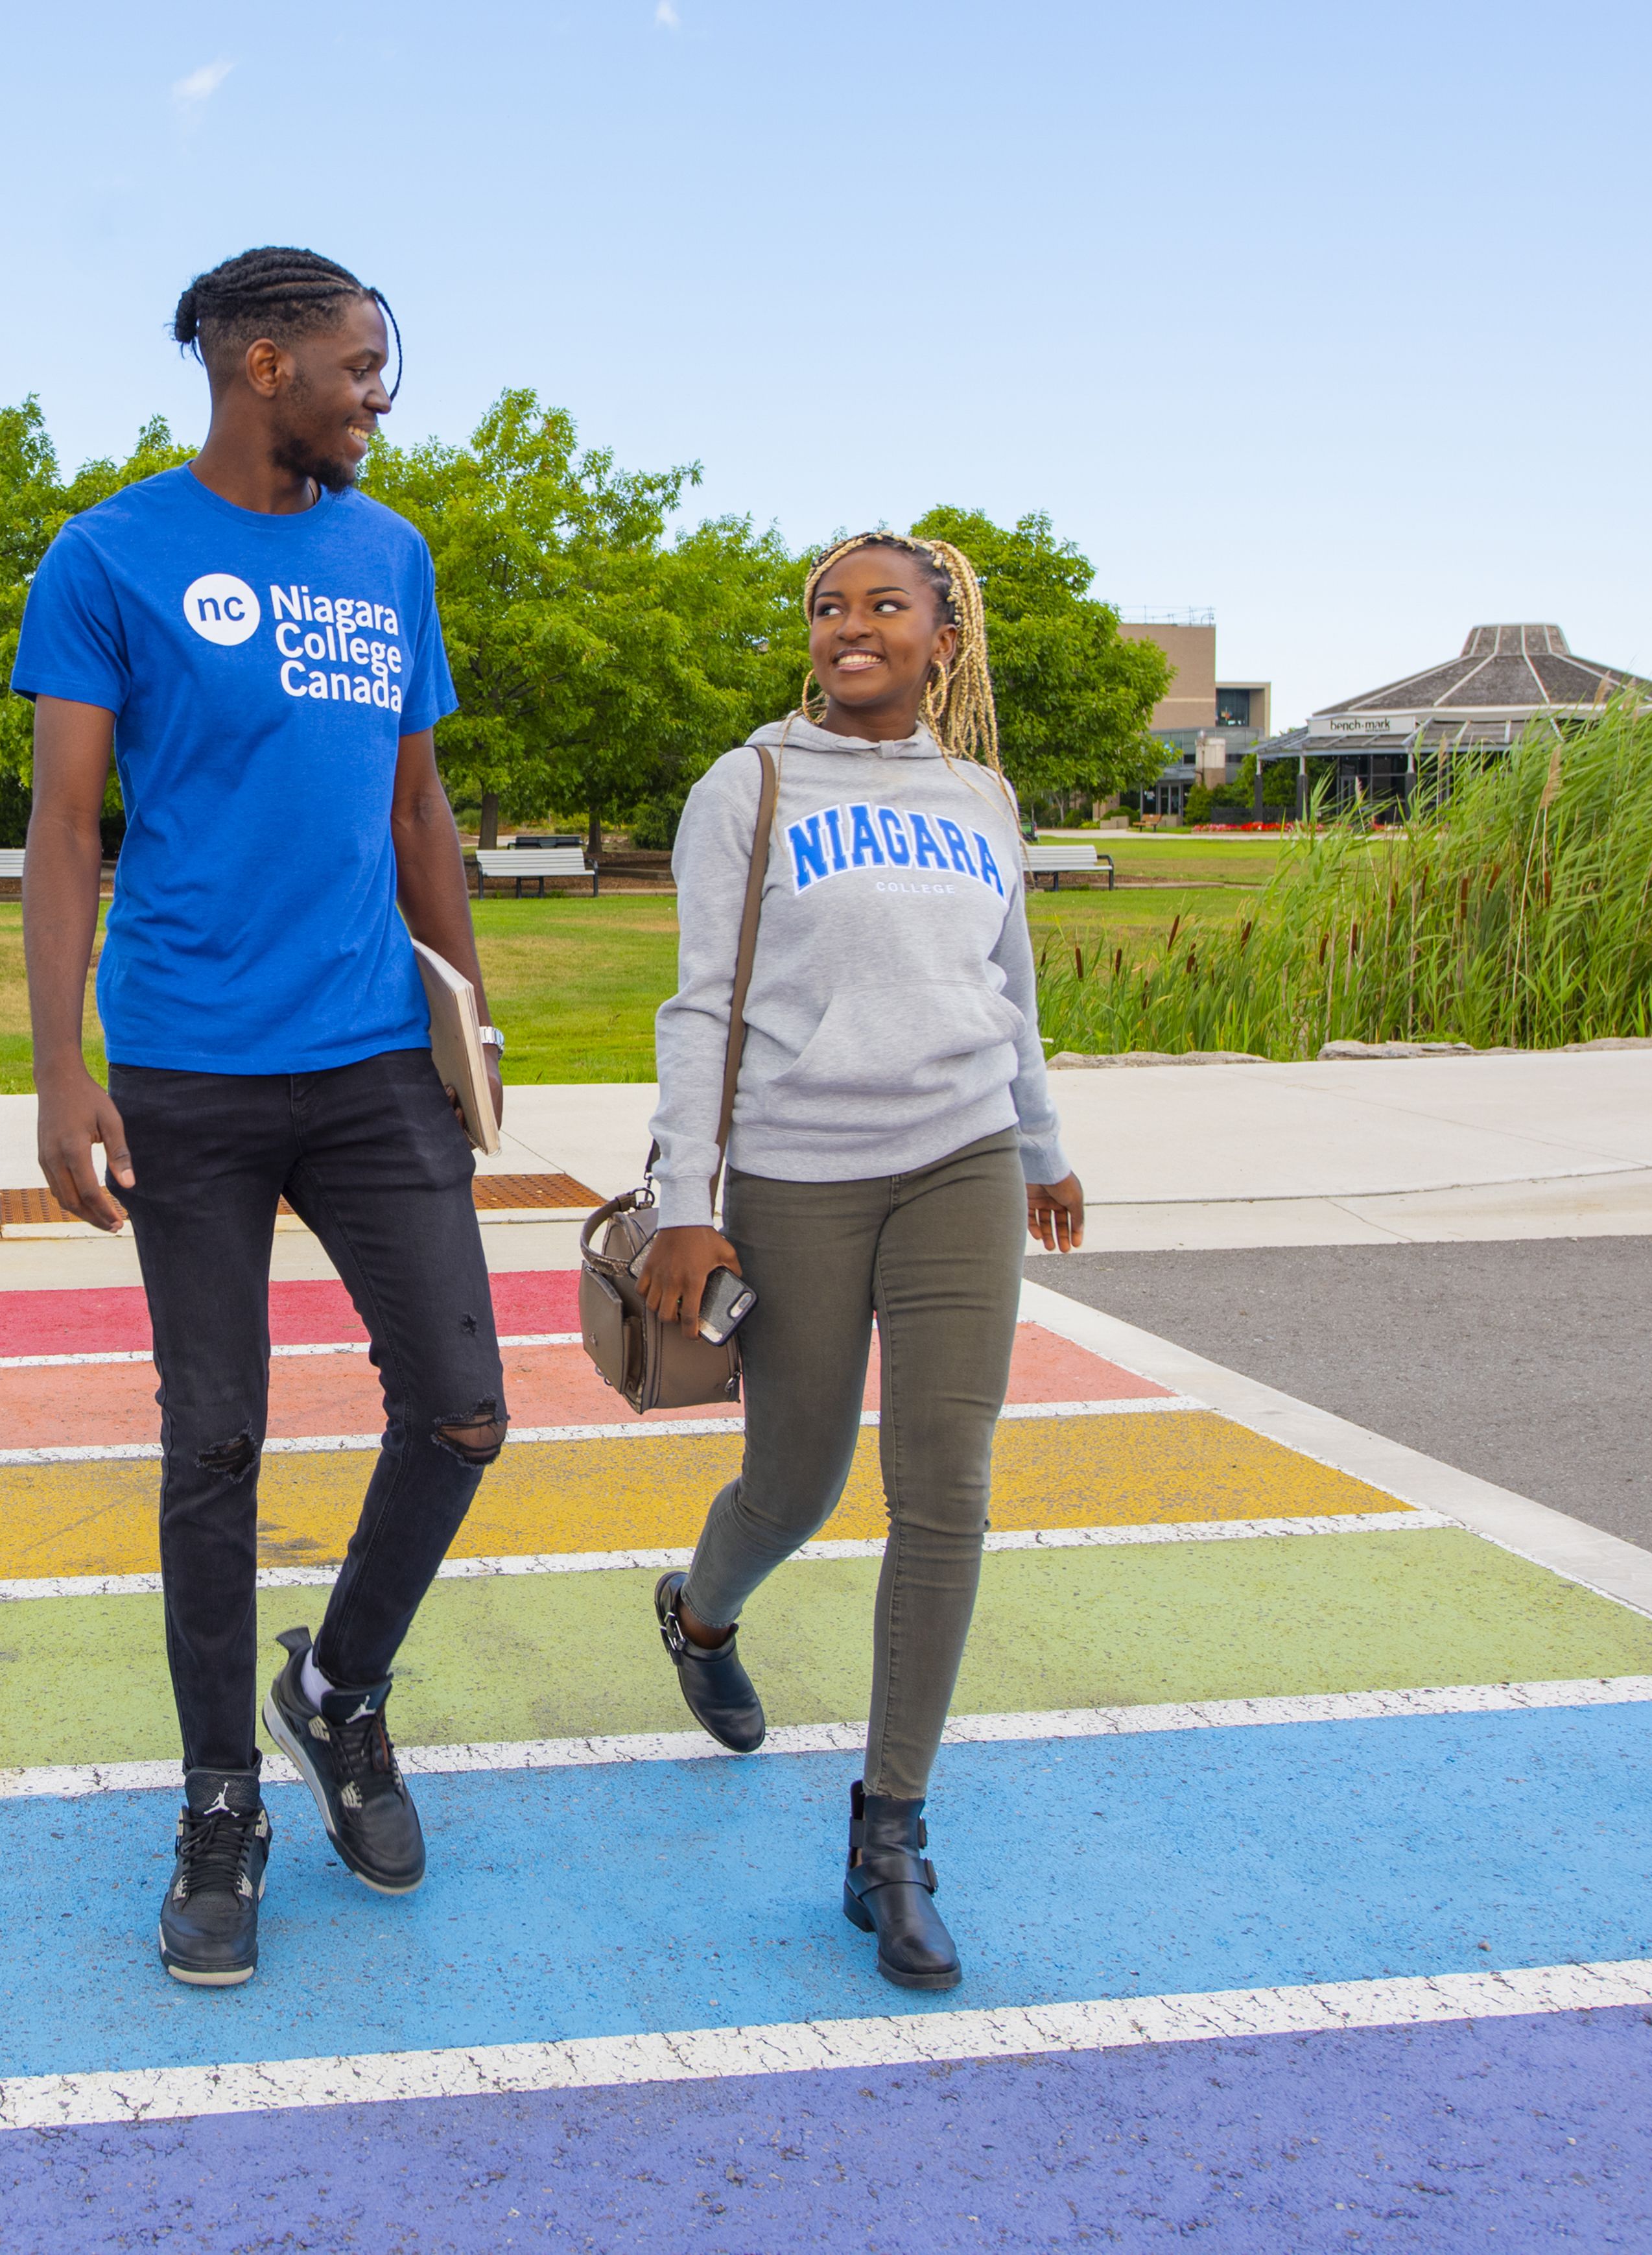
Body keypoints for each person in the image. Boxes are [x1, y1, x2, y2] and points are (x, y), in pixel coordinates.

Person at [13, 246, 510, 1989]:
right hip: (188, 1067)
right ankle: (220, 1801)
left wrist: (472, 1010)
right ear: (261, 362)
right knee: (214, 1442)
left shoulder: (392, 555)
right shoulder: (110, 556)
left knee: (459, 1407)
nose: (383, 391)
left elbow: (417, 803)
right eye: (363, 363)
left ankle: (337, 1689)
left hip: (373, 1054)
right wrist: (61, 1067)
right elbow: (68, 824)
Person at [635, 532, 1086, 1992]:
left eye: (884, 605)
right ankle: (699, 1611)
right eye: (827, 606)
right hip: (794, 1173)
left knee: (944, 1486)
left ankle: (887, 1832)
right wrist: (684, 1197)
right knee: (798, 1478)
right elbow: (698, 1005)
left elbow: (1006, 993)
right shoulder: (747, 784)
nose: (849, 626)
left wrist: (1039, 1142)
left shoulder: (980, 798)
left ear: (941, 638)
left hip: (955, 1157)